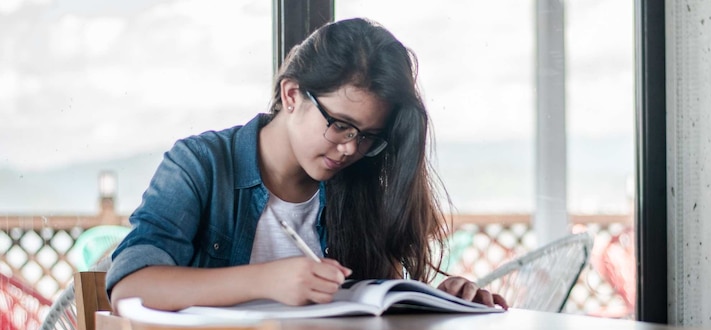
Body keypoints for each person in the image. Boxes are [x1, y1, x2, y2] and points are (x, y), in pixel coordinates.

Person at [107, 17, 507, 311]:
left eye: (367, 136)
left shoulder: (357, 184)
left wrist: (443, 300)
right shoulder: (201, 164)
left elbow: (379, 307)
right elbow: (130, 286)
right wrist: (266, 279)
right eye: (341, 126)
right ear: (293, 94)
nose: (351, 148)